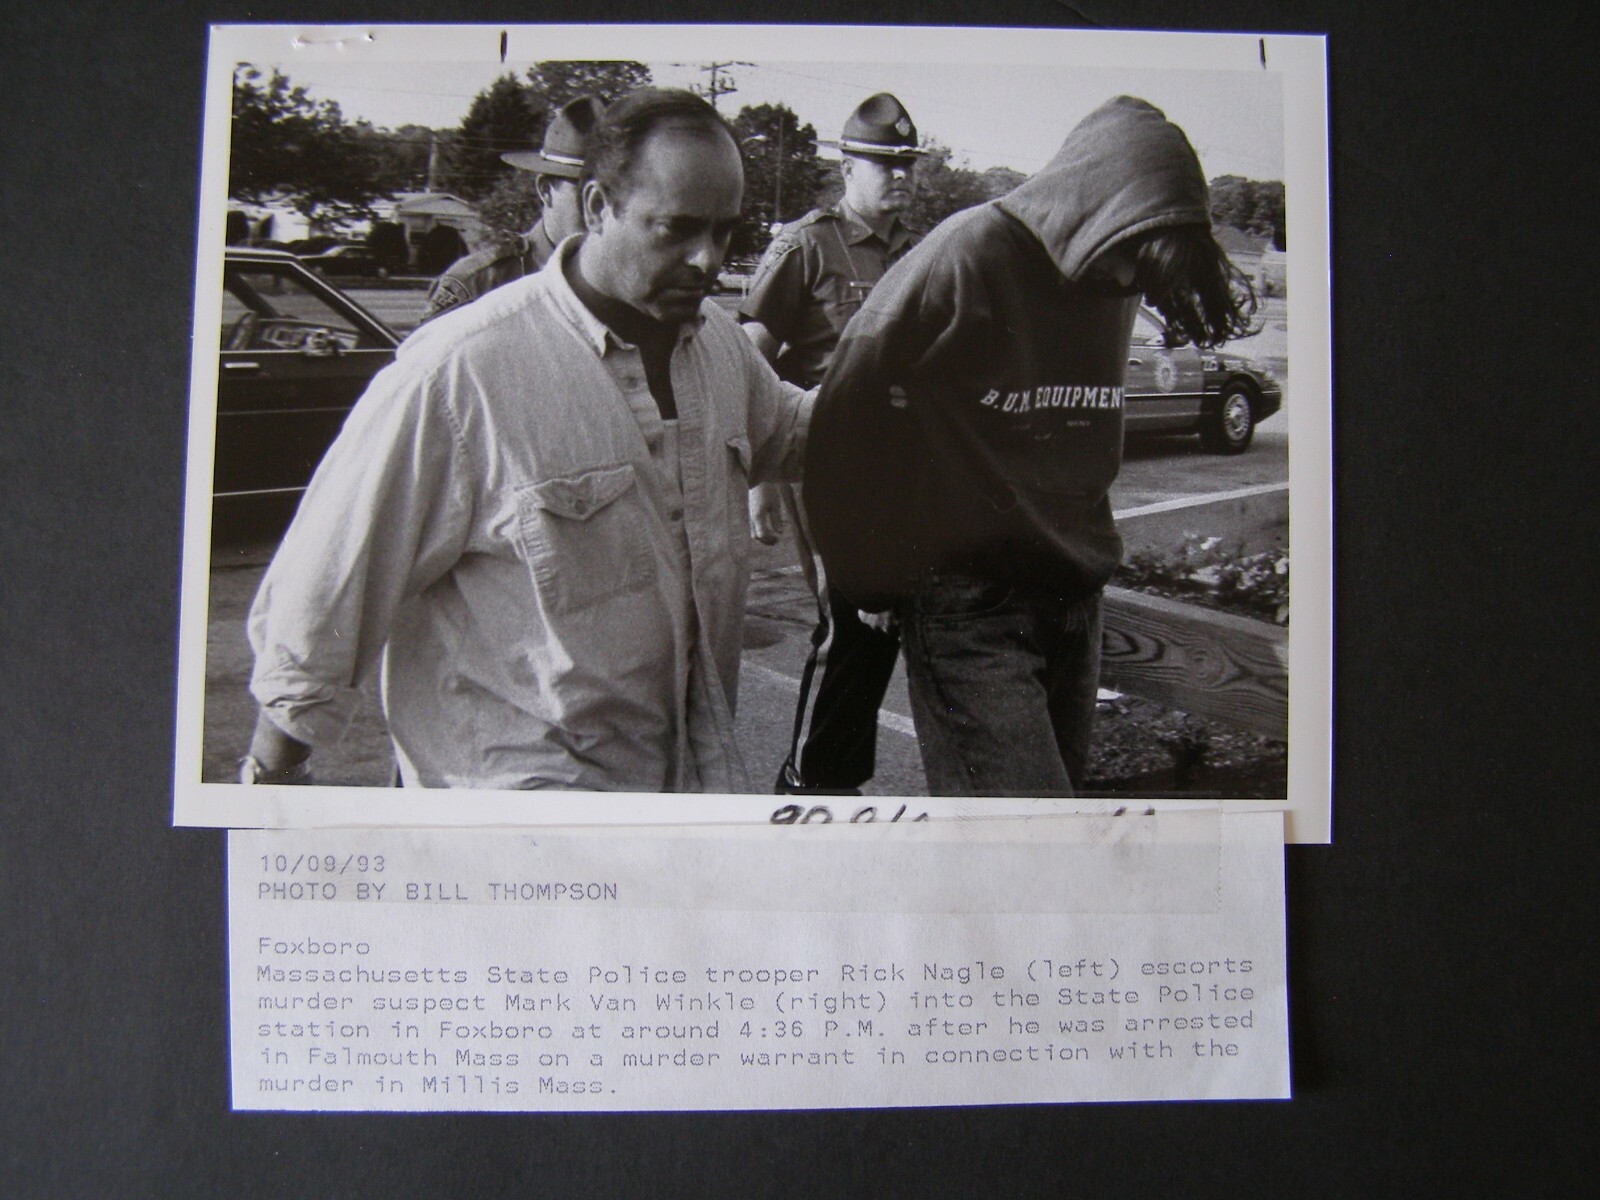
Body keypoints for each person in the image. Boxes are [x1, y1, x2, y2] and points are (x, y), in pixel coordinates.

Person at [239, 88, 811, 792]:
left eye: (726, 232)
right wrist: (272, 776)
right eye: (678, 229)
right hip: (515, 816)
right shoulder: (461, 372)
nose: (708, 260)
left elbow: (792, 431)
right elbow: (324, 592)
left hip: (676, 791)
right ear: (598, 207)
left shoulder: (718, 346)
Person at [803, 96, 1257, 796]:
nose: (1128, 280)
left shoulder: (1122, 268)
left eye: (1144, 265)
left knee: (1052, 829)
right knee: (1019, 841)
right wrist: (867, 573)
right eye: (1128, 254)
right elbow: (845, 411)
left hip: (1075, 599)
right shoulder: (971, 250)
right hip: (971, 608)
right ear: (1092, 210)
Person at [737, 93, 925, 792]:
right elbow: (749, 358)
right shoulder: (807, 243)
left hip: (905, 471)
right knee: (849, 620)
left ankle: (837, 775)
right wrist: (759, 477)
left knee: (883, 628)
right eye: (883, 164)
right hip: (828, 463)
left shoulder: (922, 250)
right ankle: (809, 782)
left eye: (907, 164)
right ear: (848, 168)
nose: (899, 177)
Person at [416, 95, 606, 325]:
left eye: (617, 194)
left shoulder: (635, 285)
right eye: (587, 194)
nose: (603, 210)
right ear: (546, 191)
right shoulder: (481, 283)